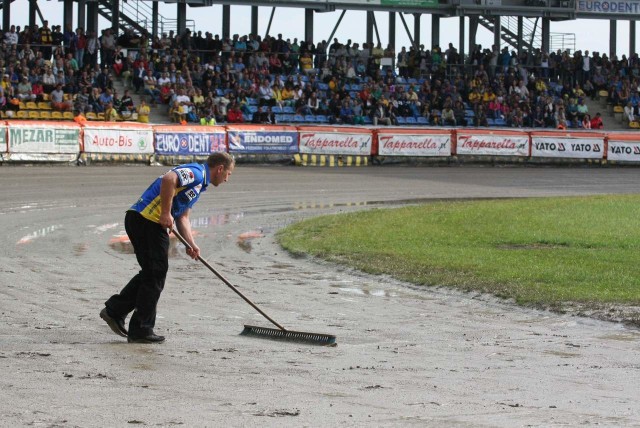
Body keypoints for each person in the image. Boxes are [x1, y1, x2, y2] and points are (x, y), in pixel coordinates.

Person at [100, 152, 235, 343]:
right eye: (228, 174)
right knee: (156, 273)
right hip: (147, 220)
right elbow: (169, 179)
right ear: (220, 168)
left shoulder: (199, 186)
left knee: (152, 273)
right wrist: (164, 213)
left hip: (144, 221)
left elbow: (182, 217)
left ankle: (116, 311)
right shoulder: (197, 173)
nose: (227, 179)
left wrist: (191, 244)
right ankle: (140, 329)